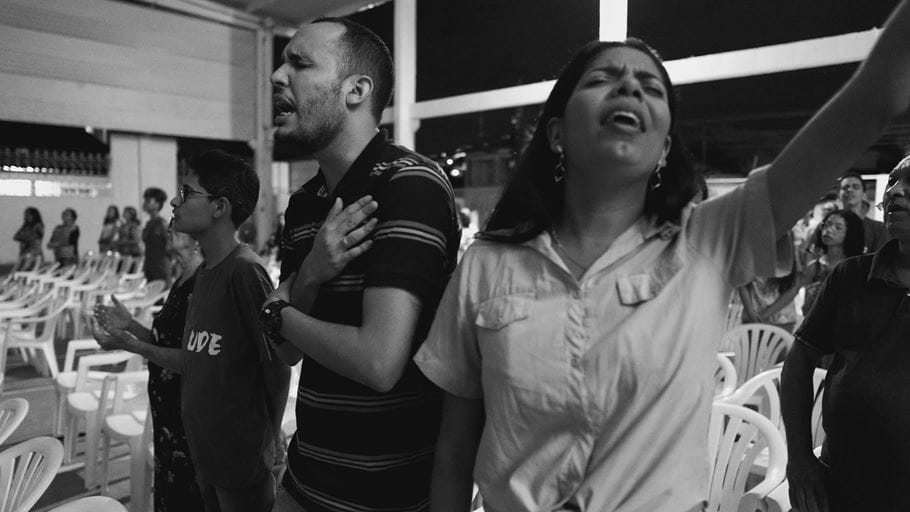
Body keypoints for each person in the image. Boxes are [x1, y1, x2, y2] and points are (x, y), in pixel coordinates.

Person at [412, 0, 910, 509]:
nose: (629, 86)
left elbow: (874, 99)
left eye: (651, 88)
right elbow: (454, 448)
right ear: (557, 133)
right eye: (602, 79)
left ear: (665, 148)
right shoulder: (488, 264)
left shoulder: (711, 240)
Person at [265, 17, 460, 512]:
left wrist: (275, 310)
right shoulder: (306, 203)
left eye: (300, 63)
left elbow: (378, 362)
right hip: (305, 479)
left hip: (386, 497)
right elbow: (286, 354)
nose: (276, 76)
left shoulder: (410, 183)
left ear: (356, 90)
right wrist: (309, 274)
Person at [96, 150, 289, 512]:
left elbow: (276, 364)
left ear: (219, 207)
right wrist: (133, 334)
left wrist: (270, 437)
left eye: (186, 193)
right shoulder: (204, 275)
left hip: (239, 454)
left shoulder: (244, 272)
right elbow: (196, 357)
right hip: (205, 449)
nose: (174, 201)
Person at [781, 153, 910, 511]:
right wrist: (800, 459)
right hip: (841, 483)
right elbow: (799, 360)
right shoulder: (851, 277)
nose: (896, 192)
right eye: (895, 182)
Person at [90, 228, 204, 511]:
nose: (170, 228)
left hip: (188, 411)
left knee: (188, 497)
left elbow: (192, 360)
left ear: (199, 237)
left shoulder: (204, 282)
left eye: (178, 225)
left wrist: (129, 344)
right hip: (166, 411)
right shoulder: (181, 279)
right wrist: (129, 325)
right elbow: (161, 341)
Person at [801, 209, 864, 315]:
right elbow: (805, 310)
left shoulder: (856, 268)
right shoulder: (814, 267)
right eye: (826, 225)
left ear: (850, 233)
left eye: (838, 227)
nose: (828, 230)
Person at [837, 170, 890, 252]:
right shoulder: (828, 225)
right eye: (845, 187)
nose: (850, 190)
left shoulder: (878, 229)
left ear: (864, 194)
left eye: (856, 187)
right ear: (839, 195)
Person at [142, 187, 172, 284]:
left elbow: (170, 246)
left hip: (160, 267)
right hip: (149, 266)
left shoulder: (162, 224)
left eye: (148, 200)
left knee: (159, 297)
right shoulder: (148, 224)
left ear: (157, 204)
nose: (145, 203)